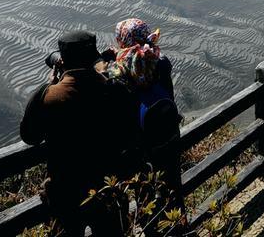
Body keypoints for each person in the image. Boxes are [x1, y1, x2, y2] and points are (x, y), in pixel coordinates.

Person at [20, 31, 140, 236]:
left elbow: (30, 136)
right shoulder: (115, 90)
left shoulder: (47, 96)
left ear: (62, 60)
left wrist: (52, 82)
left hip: (65, 192)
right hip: (106, 188)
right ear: (95, 57)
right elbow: (131, 133)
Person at [103, 18, 180, 160]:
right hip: (168, 134)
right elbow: (140, 60)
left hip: (140, 145)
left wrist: (113, 60)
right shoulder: (161, 61)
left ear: (122, 41)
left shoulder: (116, 71)